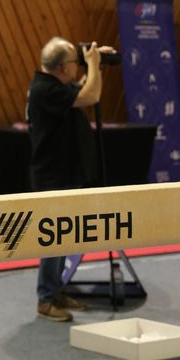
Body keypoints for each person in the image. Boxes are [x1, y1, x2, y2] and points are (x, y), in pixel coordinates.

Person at [26, 37, 116, 322]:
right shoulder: (45, 89)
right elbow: (92, 97)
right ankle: (45, 298)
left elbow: (85, 88)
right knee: (53, 240)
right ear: (63, 67)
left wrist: (94, 63)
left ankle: (55, 290)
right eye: (75, 63)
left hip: (64, 172)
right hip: (53, 175)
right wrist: (93, 64)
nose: (77, 67)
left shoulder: (55, 84)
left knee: (64, 237)